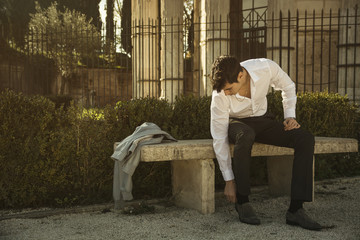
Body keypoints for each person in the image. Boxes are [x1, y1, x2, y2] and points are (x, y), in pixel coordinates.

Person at [210, 55, 322, 231]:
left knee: (305, 138)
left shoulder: (265, 67)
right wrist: (229, 180)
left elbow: (288, 86)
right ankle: (243, 201)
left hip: (263, 120)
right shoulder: (220, 94)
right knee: (246, 134)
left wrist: (289, 116)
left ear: (240, 75)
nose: (226, 93)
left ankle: (296, 210)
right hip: (236, 124)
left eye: (229, 89)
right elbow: (219, 137)